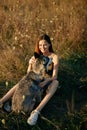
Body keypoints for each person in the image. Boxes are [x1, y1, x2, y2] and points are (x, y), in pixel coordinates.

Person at [0, 34, 59, 125]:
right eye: (40, 45)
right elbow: (29, 74)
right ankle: (1, 101)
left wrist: (46, 81)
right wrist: (29, 64)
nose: (42, 47)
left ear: (49, 44)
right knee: (21, 82)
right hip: (35, 82)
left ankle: (36, 112)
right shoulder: (37, 56)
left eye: (45, 44)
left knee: (56, 82)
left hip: (47, 82)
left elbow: (55, 76)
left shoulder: (54, 57)